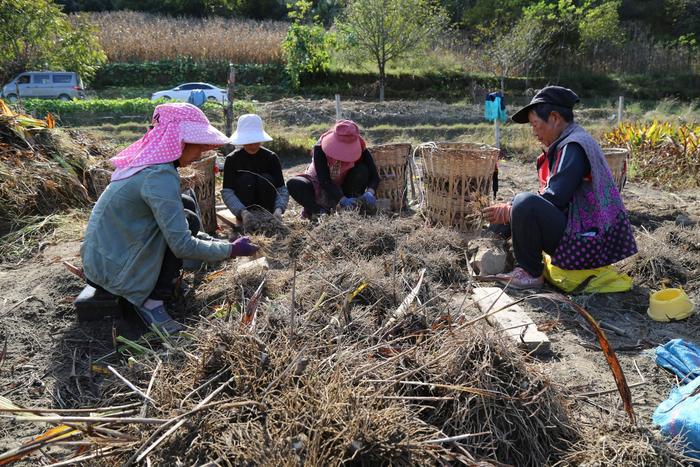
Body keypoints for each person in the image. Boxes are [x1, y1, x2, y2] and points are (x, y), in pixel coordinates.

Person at [81, 103, 258, 333]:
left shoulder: (149, 163)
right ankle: (152, 302)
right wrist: (231, 251)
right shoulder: (159, 176)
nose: (200, 154)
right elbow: (181, 245)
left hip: (103, 258)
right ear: (180, 141)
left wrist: (220, 244)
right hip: (113, 272)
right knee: (175, 238)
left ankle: (161, 282)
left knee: (185, 210)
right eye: (198, 147)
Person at [482, 86, 637, 289]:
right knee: (514, 206)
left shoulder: (573, 146)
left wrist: (513, 210)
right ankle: (488, 245)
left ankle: (530, 272)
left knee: (523, 203)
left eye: (535, 125)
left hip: (587, 244)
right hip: (588, 236)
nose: (534, 133)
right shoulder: (573, 141)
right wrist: (508, 210)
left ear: (554, 118)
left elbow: (554, 199)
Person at [287, 119, 380, 218]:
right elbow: (324, 180)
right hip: (319, 185)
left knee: (362, 170)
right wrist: (342, 199)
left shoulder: (361, 147)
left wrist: (370, 192)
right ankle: (320, 213)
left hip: (346, 186)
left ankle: (351, 209)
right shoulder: (320, 147)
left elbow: (374, 176)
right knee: (294, 183)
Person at [221, 114, 288, 225]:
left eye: (255, 141)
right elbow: (228, 192)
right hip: (244, 207)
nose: (252, 145)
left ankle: (269, 214)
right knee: (246, 179)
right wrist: (242, 212)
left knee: (264, 178)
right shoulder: (232, 159)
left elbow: (281, 189)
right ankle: (246, 214)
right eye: (249, 141)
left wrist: (278, 209)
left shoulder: (271, 157)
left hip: (268, 207)